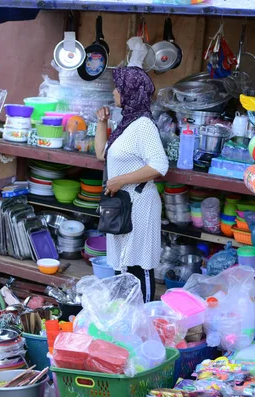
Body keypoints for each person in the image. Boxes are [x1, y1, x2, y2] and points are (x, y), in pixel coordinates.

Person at [95, 67, 169, 303]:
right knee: (122, 265)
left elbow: (159, 165)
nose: (114, 91)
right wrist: (101, 122)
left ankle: (144, 317)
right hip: (123, 204)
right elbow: (101, 153)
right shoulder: (126, 123)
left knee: (139, 266)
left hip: (140, 204)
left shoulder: (144, 125)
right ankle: (126, 321)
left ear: (130, 92)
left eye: (119, 87)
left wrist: (120, 180)